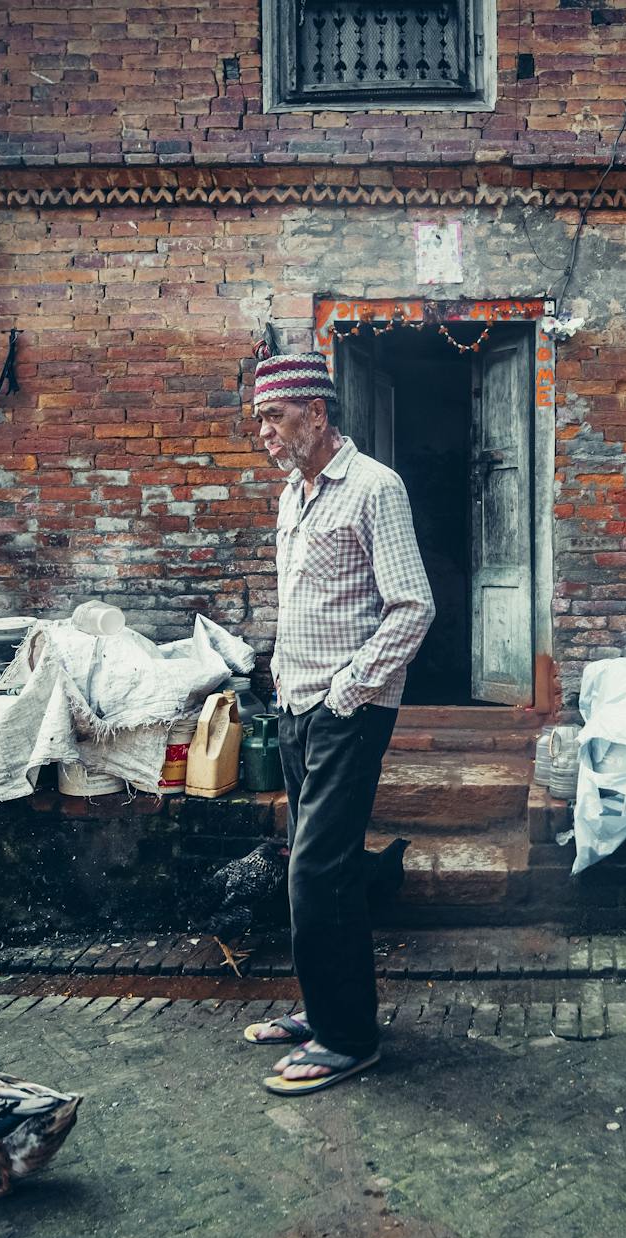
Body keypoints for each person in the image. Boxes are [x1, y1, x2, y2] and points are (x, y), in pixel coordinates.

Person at [241, 351, 434, 1096]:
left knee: (314, 871)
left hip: (346, 710)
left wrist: (347, 691)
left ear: (316, 415)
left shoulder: (374, 489)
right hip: (298, 702)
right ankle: (327, 1011)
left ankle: (348, 1039)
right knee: (326, 866)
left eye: (275, 417)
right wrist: (286, 682)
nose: (264, 432)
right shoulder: (295, 493)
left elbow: (412, 606)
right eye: (260, 418)